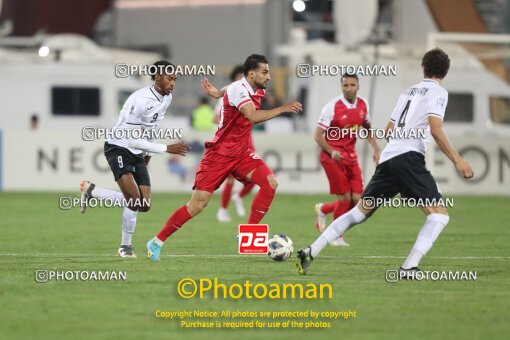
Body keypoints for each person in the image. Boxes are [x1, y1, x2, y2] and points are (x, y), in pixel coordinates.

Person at [297, 48, 474, 276]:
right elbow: (436, 130)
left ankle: (311, 250)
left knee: (359, 213)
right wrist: (458, 161)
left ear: (423, 68)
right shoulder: (439, 92)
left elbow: (390, 130)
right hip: (408, 159)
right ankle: (408, 268)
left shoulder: (408, 91)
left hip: (390, 158)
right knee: (439, 215)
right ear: (445, 72)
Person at [146, 54, 302, 260]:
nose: (269, 76)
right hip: (219, 155)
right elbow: (253, 116)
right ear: (252, 73)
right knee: (197, 206)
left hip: (242, 154)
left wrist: (217, 93)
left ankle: (248, 233)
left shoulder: (251, 87)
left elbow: (228, 88)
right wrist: (283, 108)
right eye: (265, 72)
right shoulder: (240, 89)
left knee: (270, 183)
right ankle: (156, 242)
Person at [80, 60, 188, 258]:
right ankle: (125, 246)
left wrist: (148, 154)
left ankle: (92, 191)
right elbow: (131, 139)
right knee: (133, 200)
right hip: (118, 147)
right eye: (169, 78)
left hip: (138, 151)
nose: (173, 83)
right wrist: (166, 148)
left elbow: (151, 128)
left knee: (143, 205)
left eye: (175, 79)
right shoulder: (140, 100)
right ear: (157, 77)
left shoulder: (166, 98)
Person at [314, 73, 380, 246]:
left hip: (350, 156)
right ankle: (336, 236)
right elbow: (318, 135)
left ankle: (323, 209)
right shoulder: (332, 107)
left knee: (357, 200)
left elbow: (367, 127)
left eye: (352, 85)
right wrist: (331, 150)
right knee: (344, 198)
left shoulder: (363, 104)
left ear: (358, 86)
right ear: (341, 87)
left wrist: (376, 149)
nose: (349, 88)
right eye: (346, 85)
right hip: (331, 158)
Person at [215, 65, 255, 222]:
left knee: (260, 177)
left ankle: (237, 197)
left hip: (246, 141)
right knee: (231, 179)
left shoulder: (249, 95)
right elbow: (214, 117)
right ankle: (222, 210)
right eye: (238, 77)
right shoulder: (228, 96)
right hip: (229, 143)